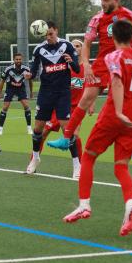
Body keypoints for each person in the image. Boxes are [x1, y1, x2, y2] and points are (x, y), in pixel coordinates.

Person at [62, 20, 132, 236]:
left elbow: (116, 81)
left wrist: (120, 112)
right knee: (121, 167)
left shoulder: (112, 56)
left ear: (112, 37)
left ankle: (84, 205)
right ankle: (131, 206)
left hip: (113, 117)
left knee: (88, 156)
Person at [47, 0, 132, 159]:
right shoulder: (97, 18)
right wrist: (86, 64)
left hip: (124, 61)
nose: (102, 3)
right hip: (102, 63)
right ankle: (66, 137)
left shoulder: (130, 15)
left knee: (129, 104)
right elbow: (86, 43)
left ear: (116, 0)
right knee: (85, 99)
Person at [24, 21, 81, 174]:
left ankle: (77, 165)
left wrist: (71, 62)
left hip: (63, 92)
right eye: (45, 35)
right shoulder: (39, 49)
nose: (48, 37)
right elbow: (34, 71)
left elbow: (77, 67)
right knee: (37, 129)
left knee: (67, 129)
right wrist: (29, 74)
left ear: (56, 31)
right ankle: (35, 158)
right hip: (45, 92)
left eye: (51, 34)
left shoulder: (67, 46)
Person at [40, 39, 87, 178]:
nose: (75, 48)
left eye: (78, 46)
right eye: (73, 46)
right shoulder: (63, 66)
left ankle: (80, 165)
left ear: (82, 49)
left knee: (75, 135)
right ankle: (33, 162)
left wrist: (91, 104)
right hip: (59, 106)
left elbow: (91, 87)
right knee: (41, 134)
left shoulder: (86, 68)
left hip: (77, 108)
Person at [0, 53, 33, 136]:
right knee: (5, 107)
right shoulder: (8, 69)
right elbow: (2, 81)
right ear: (14, 60)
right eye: (17, 59)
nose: (18, 61)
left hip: (21, 89)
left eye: (20, 59)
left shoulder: (26, 69)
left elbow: (30, 81)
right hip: (10, 89)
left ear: (22, 60)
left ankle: (29, 128)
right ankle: (0, 129)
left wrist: (31, 92)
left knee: (26, 106)